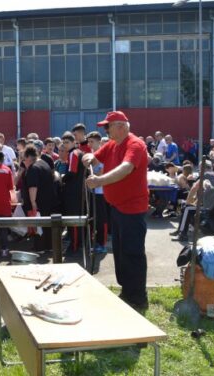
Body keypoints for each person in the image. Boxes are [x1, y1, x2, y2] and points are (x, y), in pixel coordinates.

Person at [82, 111, 149, 311]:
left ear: (120, 126)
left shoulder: (135, 145)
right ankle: (127, 291)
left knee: (132, 253)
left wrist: (100, 180)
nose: (106, 130)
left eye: (108, 126)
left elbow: (126, 168)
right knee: (120, 252)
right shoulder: (112, 144)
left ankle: (137, 297)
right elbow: (96, 156)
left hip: (132, 209)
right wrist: (89, 156)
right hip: (118, 208)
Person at [22, 145, 58, 252]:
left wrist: (33, 202)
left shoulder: (33, 168)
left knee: (39, 224)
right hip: (49, 199)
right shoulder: (44, 163)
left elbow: (33, 186)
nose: (24, 161)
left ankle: (40, 247)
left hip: (39, 201)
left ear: (28, 156)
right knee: (47, 225)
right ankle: (49, 246)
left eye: (24, 158)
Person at [60, 132, 85, 253]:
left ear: (73, 142)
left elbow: (72, 172)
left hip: (73, 191)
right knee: (77, 218)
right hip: (78, 190)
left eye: (67, 142)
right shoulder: (79, 152)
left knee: (73, 219)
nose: (65, 145)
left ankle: (74, 246)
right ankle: (77, 244)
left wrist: (61, 178)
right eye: (63, 142)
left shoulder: (73, 153)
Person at [86, 131, 108, 253]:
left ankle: (102, 244)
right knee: (94, 217)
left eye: (92, 142)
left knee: (101, 219)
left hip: (101, 191)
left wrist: (93, 176)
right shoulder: (92, 154)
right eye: (88, 142)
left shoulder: (103, 154)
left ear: (99, 142)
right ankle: (96, 241)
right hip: (93, 190)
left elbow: (104, 170)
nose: (89, 144)